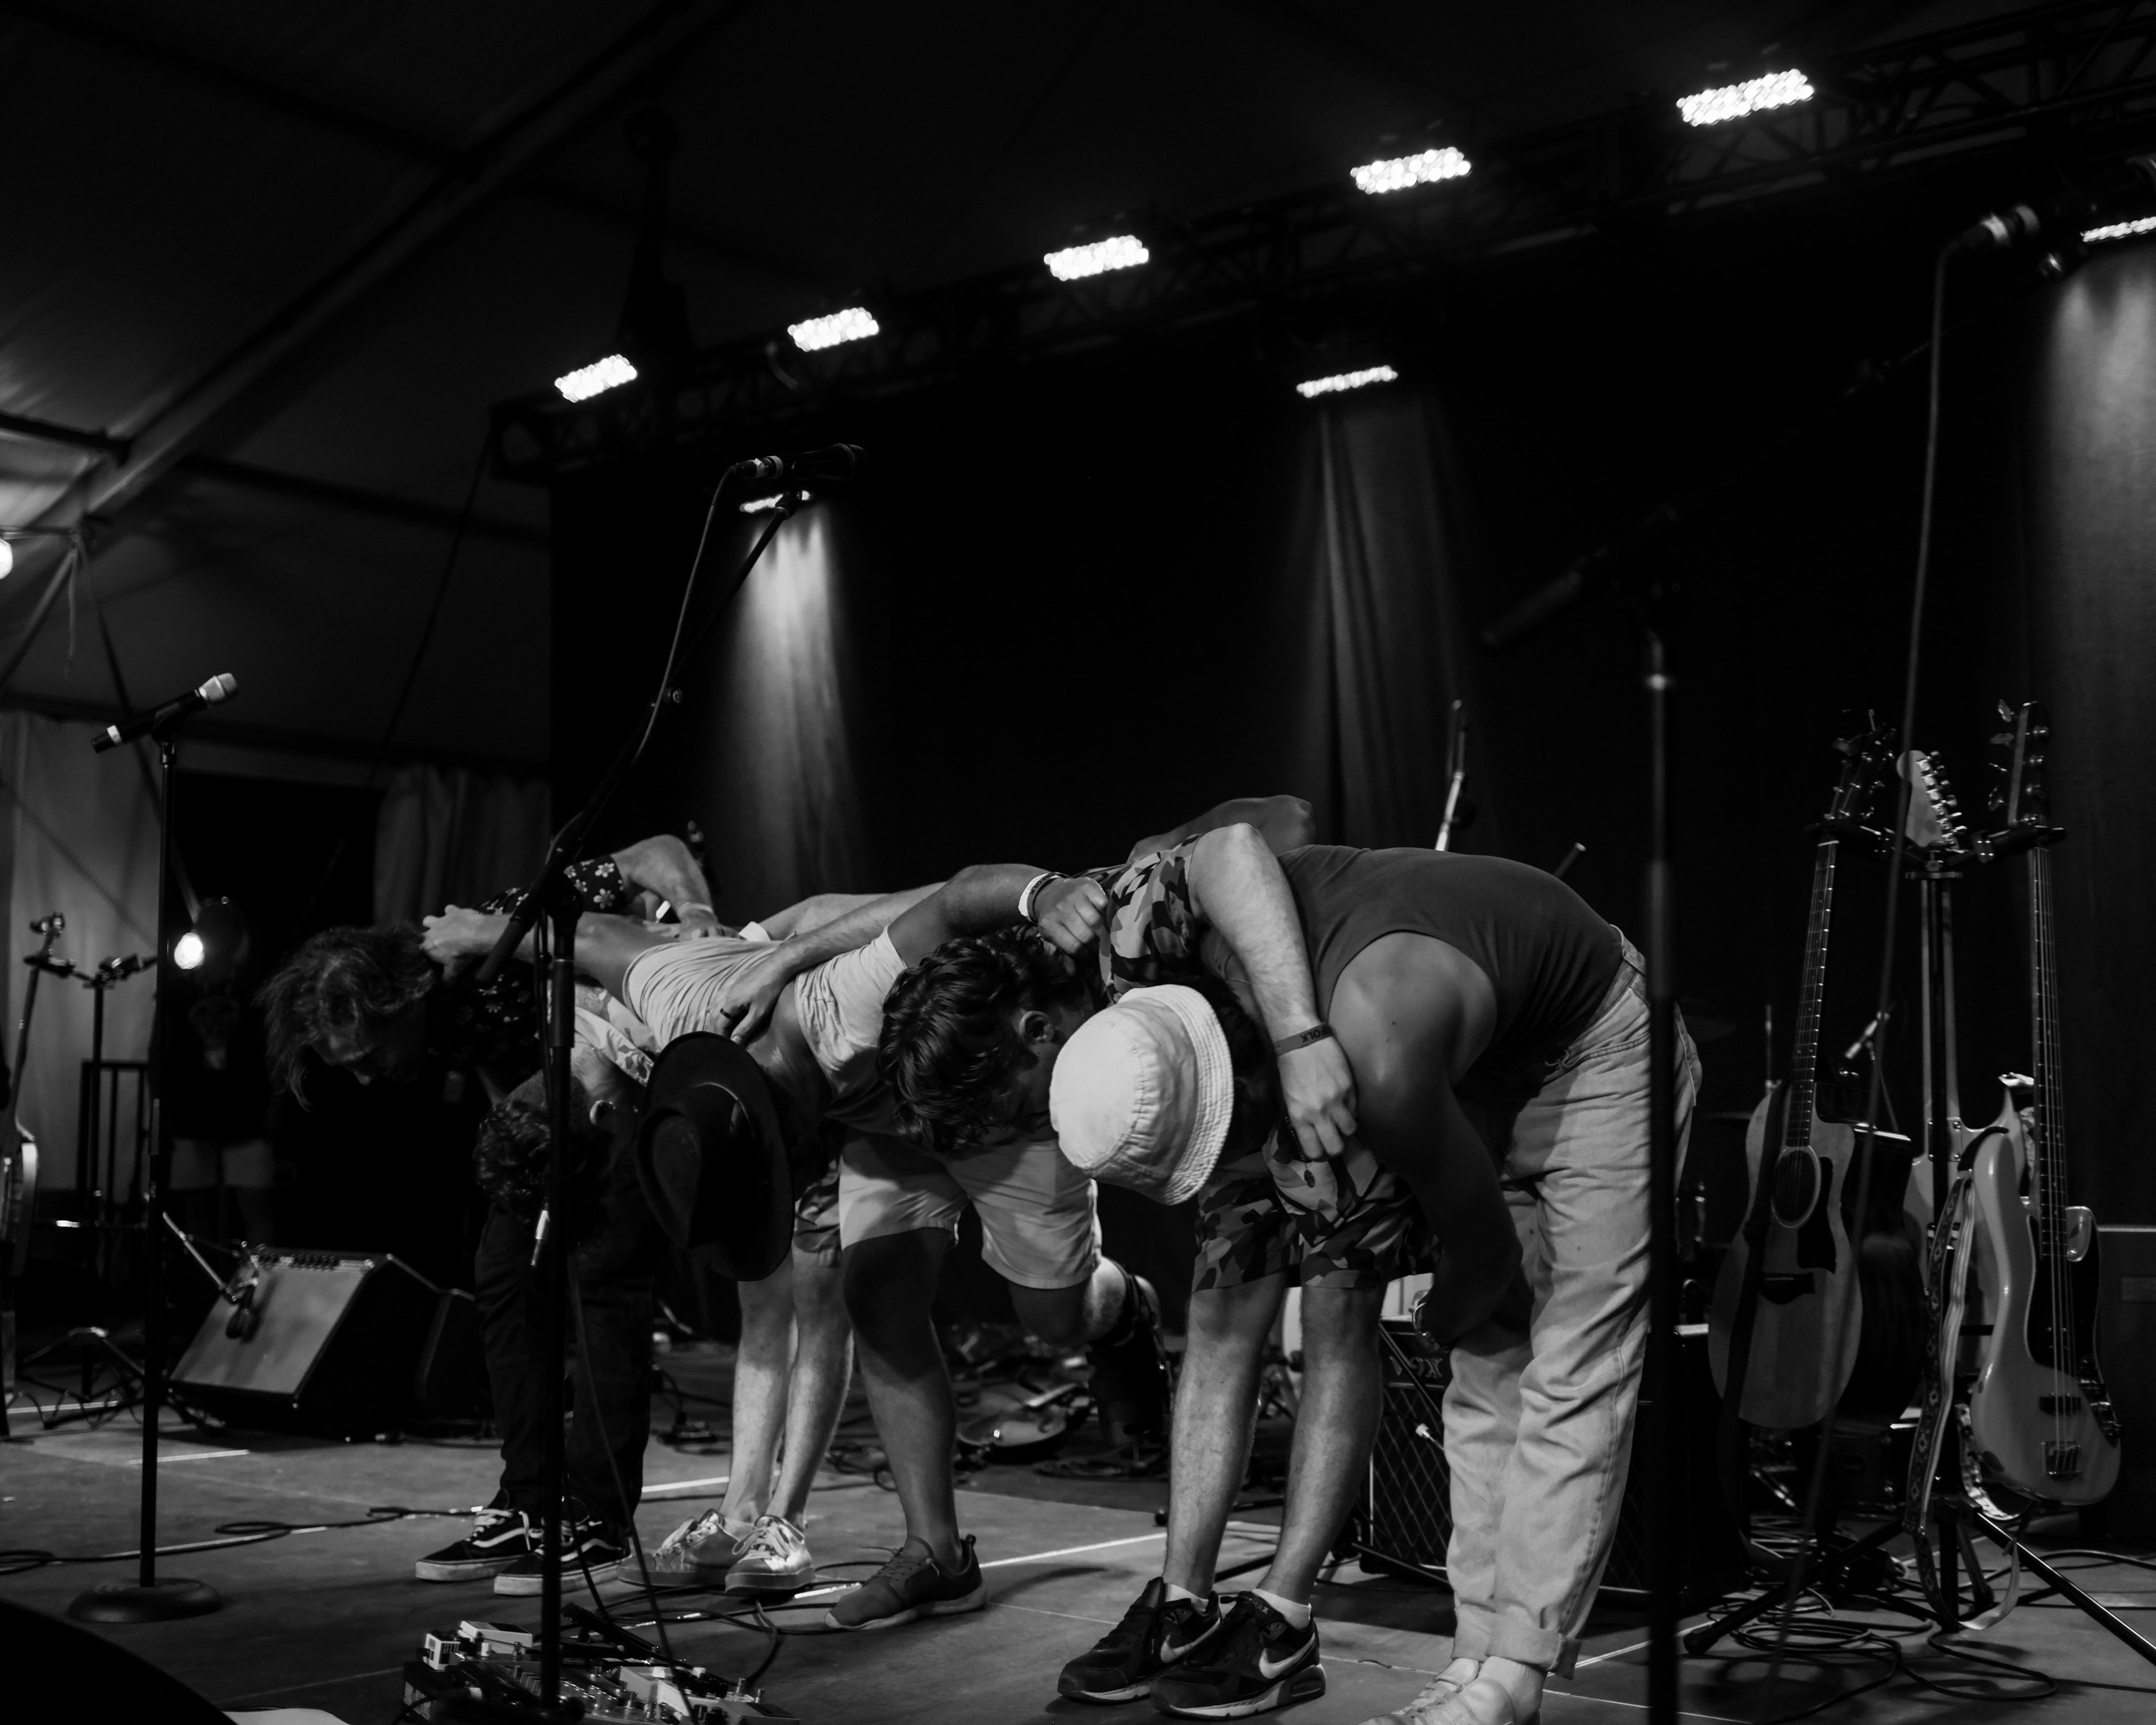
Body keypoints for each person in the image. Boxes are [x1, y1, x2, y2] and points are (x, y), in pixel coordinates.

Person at [881, 830, 1700, 1725]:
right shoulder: (1160, 1018)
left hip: (1594, 1047)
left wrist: (1301, 1041)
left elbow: (1241, 838)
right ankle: (1474, 1659)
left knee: (1572, 1357)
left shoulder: (1367, 1061)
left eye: (1024, 1109)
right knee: (1483, 1367)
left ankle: (1511, 1670)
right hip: (1439, 1054)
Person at [420, 862, 1187, 1633]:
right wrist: (484, 934)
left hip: (997, 1103)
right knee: (875, 1293)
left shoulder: (846, 1004)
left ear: (788, 1128)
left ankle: (1125, 1303)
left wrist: (1042, 894)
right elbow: (592, 936)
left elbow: (955, 899)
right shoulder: (678, 994)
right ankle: (938, 1555)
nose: (802, 1189)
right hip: (888, 1125)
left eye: (790, 1176)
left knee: (1056, 1318)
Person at [259, 832, 723, 1594]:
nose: (370, 1080)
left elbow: (655, 852)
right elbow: (498, 1064)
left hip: (634, 1087)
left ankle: (598, 1520)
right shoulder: (437, 1023)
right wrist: (519, 1155)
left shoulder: (494, 934)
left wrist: (698, 913)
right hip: (559, 1109)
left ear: (402, 999)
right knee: (503, 1274)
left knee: (603, 1279)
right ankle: (529, 1505)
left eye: (368, 1058)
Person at [166, 898, 276, 1245]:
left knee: (255, 1206)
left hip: (248, 1112)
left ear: (236, 935)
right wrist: (163, 1108)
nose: (210, 933)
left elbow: (278, 1050)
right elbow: (160, 1049)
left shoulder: (256, 986)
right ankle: (202, 1278)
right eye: (205, 926)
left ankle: (260, 1277)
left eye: (218, 926)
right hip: (193, 1113)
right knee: (197, 1210)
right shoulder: (180, 989)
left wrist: (277, 1106)